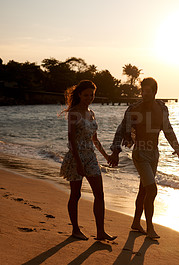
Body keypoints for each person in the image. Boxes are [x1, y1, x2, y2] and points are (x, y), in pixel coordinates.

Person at [109, 77, 179, 239]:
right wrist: (116, 150)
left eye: (148, 92)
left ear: (155, 92)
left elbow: (168, 130)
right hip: (140, 153)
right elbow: (121, 130)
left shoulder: (162, 109)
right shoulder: (134, 109)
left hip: (154, 154)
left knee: (144, 190)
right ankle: (150, 227)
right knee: (152, 189)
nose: (144, 94)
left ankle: (136, 223)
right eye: (142, 91)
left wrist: (177, 148)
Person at [59, 80, 116, 241]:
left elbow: (95, 139)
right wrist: (78, 163)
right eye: (86, 95)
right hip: (76, 156)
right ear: (79, 95)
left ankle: (100, 232)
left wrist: (106, 157)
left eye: (92, 95)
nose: (89, 98)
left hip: (91, 157)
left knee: (99, 194)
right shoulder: (73, 113)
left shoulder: (91, 113)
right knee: (75, 194)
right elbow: (71, 139)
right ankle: (75, 230)